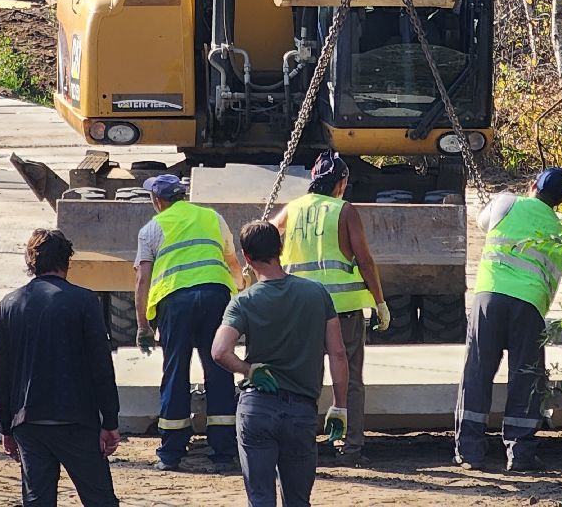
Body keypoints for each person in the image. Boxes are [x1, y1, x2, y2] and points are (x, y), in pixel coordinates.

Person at [212, 221, 350, 507]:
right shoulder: (317, 294)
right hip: (301, 412)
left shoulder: (243, 302)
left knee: (261, 499)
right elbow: (337, 353)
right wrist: (340, 406)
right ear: (281, 248)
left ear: (246, 257)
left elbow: (220, 351)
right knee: (298, 500)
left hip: (258, 409)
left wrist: (248, 370)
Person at [271, 147, 389, 465]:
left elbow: (265, 238)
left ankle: (300, 443)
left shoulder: (292, 209)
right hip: (343, 308)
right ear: (341, 183)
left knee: (301, 377)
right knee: (348, 379)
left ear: (312, 179)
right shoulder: (344, 210)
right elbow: (364, 259)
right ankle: (349, 447)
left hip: (298, 308)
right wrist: (380, 302)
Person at [0, 228, 121, 507]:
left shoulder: (10, 304)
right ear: (67, 261)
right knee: (100, 500)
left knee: (38, 501)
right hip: (77, 420)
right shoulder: (84, 301)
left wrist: (6, 425)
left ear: (31, 262)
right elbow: (101, 366)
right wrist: (110, 421)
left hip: (29, 421)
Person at [454, 166, 562, 473]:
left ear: (532, 185)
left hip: (489, 297)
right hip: (530, 306)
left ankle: (470, 452)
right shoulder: (559, 231)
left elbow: (481, 222)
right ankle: (520, 454)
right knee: (526, 377)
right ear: (559, 201)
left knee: (478, 371)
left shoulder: (507, 203)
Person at [134, 173, 243, 472]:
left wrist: (142, 325)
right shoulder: (212, 218)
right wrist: (242, 287)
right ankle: (222, 452)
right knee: (220, 370)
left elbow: (143, 278)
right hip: (215, 296)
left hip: (175, 303)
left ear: (157, 201)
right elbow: (232, 261)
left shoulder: (151, 229)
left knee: (175, 373)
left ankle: (171, 453)